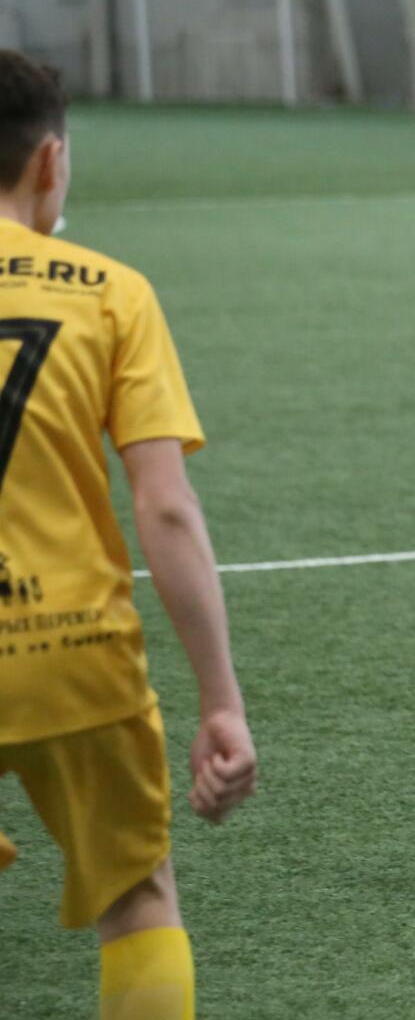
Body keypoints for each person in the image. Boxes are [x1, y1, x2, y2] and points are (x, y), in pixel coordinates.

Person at [0, 50, 257, 1017]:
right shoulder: (110, 291)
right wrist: (220, 702)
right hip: (69, 648)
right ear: (51, 161)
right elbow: (166, 507)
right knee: (138, 900)